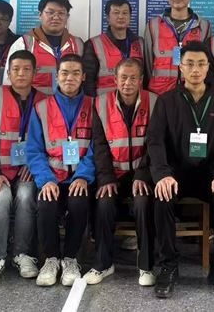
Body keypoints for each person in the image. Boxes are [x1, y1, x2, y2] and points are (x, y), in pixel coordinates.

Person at [147, 41, 214, 299]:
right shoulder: (166, 101)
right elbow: (155, 141)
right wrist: (162, 174)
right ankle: (168, 264)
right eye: (189, 63)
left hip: (210, 173)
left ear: (209, 67)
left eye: (201, 64)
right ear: (180, 66)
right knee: (161, 196)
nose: (195, 69)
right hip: (176, 172)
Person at [0, 50, 46, 285]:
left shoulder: (43, 100)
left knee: (26, 196)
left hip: (28, 170)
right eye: (15, 69)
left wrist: (33, 166)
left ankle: (22, 254)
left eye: (27, 69)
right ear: (8, 72)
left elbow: (48, 138)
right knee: (0, 197)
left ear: (35, 73)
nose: (21, 74)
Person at [86, 58, 157, 286]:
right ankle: (103, 264)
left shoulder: (154, 102)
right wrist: (106, 178)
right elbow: (99, 145)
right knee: (104, 203)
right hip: (114, 174)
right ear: (114, 80)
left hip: (142, 174)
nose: (128, 83)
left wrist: (143, 175)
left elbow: (155, 144)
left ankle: (146, 265)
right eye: (123, 78)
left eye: (133, 78)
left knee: (143, 203)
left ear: (141, 80)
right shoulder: (100, 104)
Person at [26, 54, 95, 287]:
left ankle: (71, 259)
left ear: (83, 77)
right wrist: (46, 180)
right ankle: (51, 259)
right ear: (57, 76)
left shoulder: (94, 106)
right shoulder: (41, 108)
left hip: (80, 178)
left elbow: (97, 148)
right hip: (52, 178)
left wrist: (83, 176)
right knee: (46, 204)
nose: (69, 78)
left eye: (76, 73)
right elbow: (34, 150)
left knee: (78, 203)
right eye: (64, 73)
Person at [4, 0, 84, 94]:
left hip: (67, 103)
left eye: (61, 13)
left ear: (67, 16)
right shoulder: (24, 44)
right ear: (40, 15)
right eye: (50, 12)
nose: (56, 17)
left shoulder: (77, 44)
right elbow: (9, 82)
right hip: (34, 103)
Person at [144, 0, 211, 95]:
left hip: (191, 93)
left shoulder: (203, 25)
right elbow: (148, 62)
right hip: (159, 93)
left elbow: (205, 63)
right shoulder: (153, 25)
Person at [83, 0, 145, 97]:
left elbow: (145, 77)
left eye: (125, 13)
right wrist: (93, 103)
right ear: (108, 17)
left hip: (136, 102)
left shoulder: (140, 43)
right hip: (105, 102)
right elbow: (88, 81)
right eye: (116, 13)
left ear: (130, 17)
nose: (121, 16)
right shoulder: (94, 44)